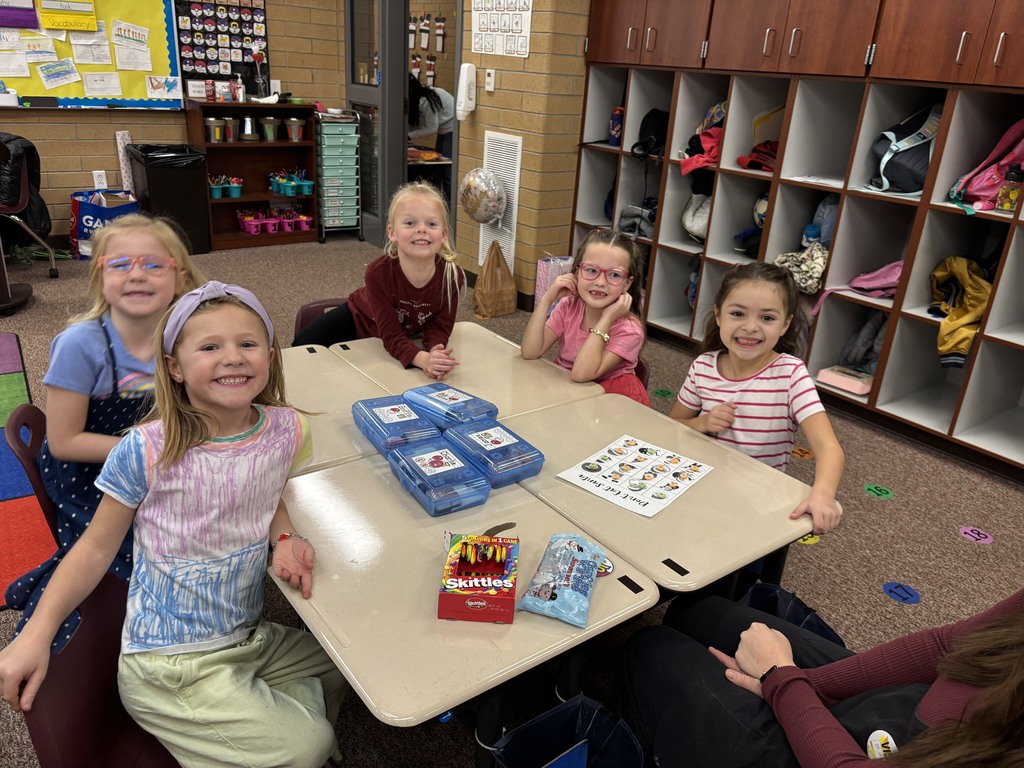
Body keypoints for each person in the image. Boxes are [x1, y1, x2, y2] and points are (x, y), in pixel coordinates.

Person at [0, 281, 348, 768]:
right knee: (308, 745)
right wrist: (37, 633)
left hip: (245, 635)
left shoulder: (288, 429)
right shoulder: (145, 449)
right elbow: (94, 548)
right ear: (175, 367)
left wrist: (285, 537)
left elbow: (270, 493)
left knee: (343, 666)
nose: (233, 357)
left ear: (270, 355)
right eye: (210, 346)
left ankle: (255, 726)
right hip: (169, 665)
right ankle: (278, 735)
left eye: (248, 344)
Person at [4, 214, 205, 651]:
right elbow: (64, 442)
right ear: (100, 275)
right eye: (120, 264)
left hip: (162, 452)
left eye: (153, 264)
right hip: (89, 469)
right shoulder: (81, 344)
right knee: (135, 548)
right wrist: (158, 453)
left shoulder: (186, 336)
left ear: (181, 275)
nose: (136, 274)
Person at [617, 586, 1024, 767]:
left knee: (650, 647)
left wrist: (780, 680)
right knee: (699, 611)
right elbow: (948, 645)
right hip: (904, 709)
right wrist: (805, 686)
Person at [670, 262, 844, 534]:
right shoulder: (703, 366)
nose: (750, 327)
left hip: (756, 505)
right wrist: (703, 423)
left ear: (786, 324)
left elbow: (829, 449)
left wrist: (822, 494)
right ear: (718, 315)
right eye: (738, 313)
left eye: (767, 318)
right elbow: (673, 425)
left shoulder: (791, 374)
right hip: (699, 490)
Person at [292, 181, 464, 380]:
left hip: (399, 335)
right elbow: (392, 336)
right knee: (301, 348)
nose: (422, 229)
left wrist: (436, 352)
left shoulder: (452, 276)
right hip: (359, 319)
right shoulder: (377, 273)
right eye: (410, 223)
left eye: (431, 224)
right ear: (392, 233)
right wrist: (423, 359)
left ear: (443, 235)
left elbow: (439, 327)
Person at [521, 228, 650, 406]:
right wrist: (547, 299)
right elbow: (530, 352)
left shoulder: (630, 329)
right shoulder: (568, 306)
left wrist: (606, 319)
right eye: (591, 270)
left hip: (611, 401)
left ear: (627, 283)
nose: (600, 282)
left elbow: (582, 374)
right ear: (576, 272)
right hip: (569, 388)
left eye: (614, 275)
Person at [408, 73, 455, 199]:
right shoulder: (417, 100)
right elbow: (415, 124)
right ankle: (440, 200)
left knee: (447, 170)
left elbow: (432, 128)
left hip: (452, 128)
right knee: (438, 168)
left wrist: (408, 136)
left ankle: (449, 205)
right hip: (444, 129)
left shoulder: (424, 100)